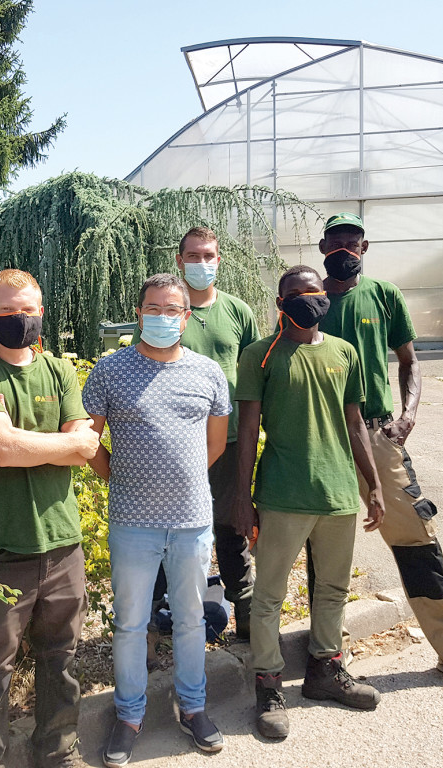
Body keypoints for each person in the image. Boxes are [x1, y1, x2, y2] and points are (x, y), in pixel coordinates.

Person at [316, 211, 443, 694]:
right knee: (322, 546)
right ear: (322, 247)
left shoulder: (383, 295)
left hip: (377, 435)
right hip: (323, 438)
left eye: (352, 242)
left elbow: (410, 361)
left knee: (417, 540)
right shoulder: (308, 298)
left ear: (364, 248)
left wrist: (408, 415)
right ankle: (324, 659)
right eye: (335, 241)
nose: (343, 250)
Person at [0, 269, 100, 768]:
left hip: (63, 546)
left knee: (62, 661)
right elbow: (5, 450)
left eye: (28, 310)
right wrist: (58, 444)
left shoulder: (58, 371)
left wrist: (20, 443)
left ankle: (58, 754)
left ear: (42, 312)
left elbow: (85, 446)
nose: (19, 319)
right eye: (8, 312)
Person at [83, 273, 231, 767]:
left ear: (185, 317)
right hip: (132, 522)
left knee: (191, 619)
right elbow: (89, 444)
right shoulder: (110, 370)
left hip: (191, 521)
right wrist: (122, 478)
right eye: (153, 308)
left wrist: (178, 481)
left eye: (173, 310)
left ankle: (193, 708)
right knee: (130, 623)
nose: (162, 317)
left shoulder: (209, 373)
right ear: (139, 312)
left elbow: (213, 446)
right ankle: (128, 716)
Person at [234, 264, 385, 739]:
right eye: (294, 294)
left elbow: (357, 423)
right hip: (282, 494)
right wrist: (242, 498)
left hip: (338, 494)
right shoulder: (261, 356)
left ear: (324, 295)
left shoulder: (344, 352)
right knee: (269, 596)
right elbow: (247, 432)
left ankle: (325, 671)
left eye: (312, 291)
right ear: (281, 304)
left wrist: (373, 484)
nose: (306, 299)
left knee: (333, 590)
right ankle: (268, 683)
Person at [132, 226, 260, 638]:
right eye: (193, 256)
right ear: (179, 260)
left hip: (231, 441)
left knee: (231, 527)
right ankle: (154, 620)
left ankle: (247, 616)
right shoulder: (162, 313)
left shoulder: (238, 312)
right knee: (167, 530)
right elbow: (142, 365)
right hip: (175, 445)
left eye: (209, 256)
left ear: (218, 260)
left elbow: (254, 377)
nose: (201, 263)